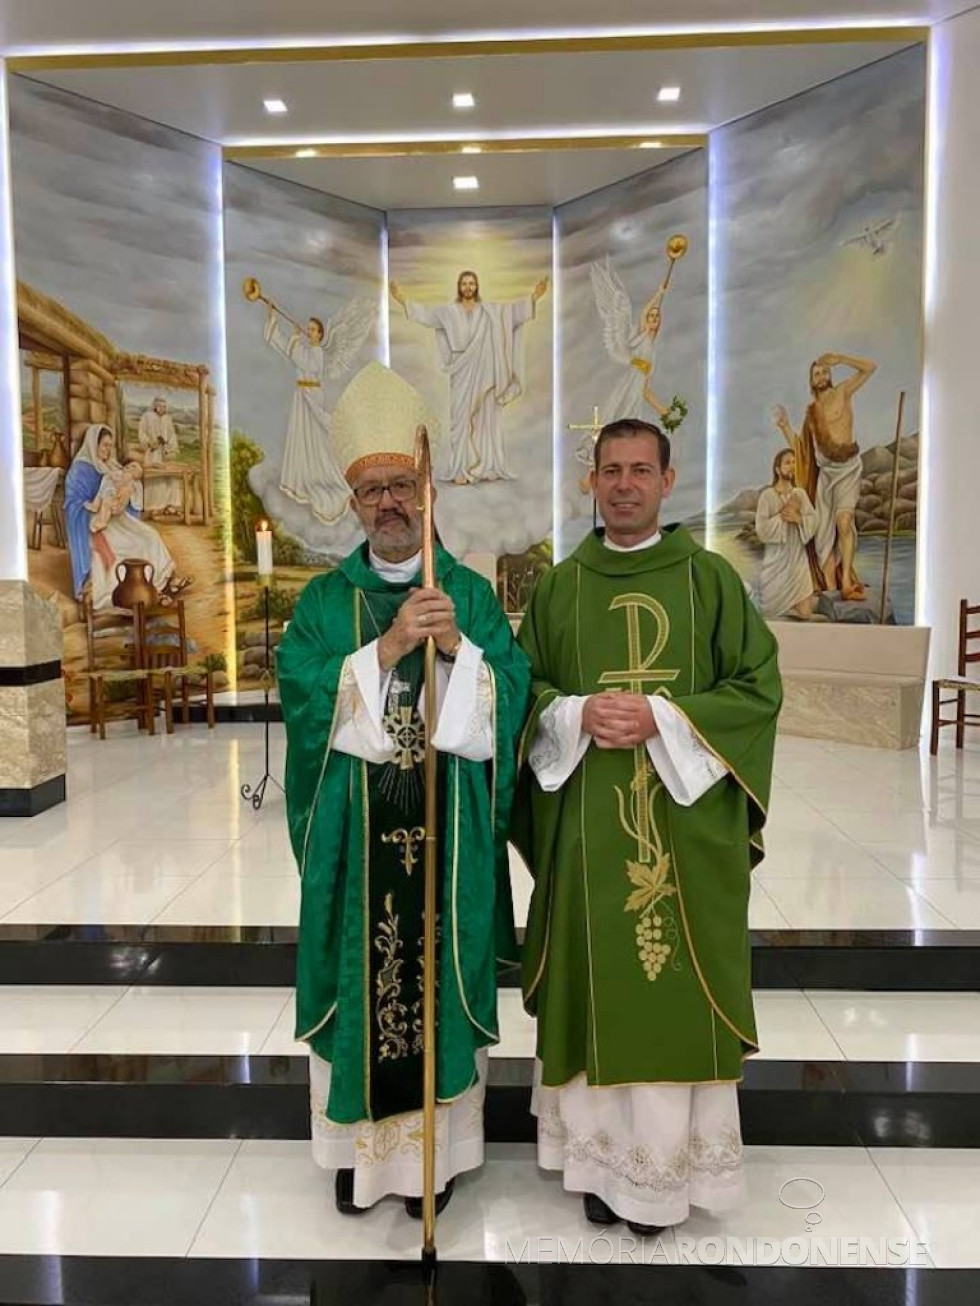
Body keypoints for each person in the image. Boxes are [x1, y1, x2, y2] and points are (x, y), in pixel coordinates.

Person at [512, 417, 781, 1235]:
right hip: (586, 828)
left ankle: (666, 1177)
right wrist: (574, 712)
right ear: (591, 482)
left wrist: (666, 718)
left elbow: (757, 691)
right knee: (597, 983)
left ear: (668, 482)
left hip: (686, 834)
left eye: (639, 469)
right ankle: (600, 1168)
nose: (623, 484)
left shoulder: (711, 581)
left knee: (676, 990)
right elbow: (522, 695)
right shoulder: (559, 588)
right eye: (609, 470)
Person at [277, 361, 530, 1218]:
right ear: (352, 504)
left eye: (400, 486)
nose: (387, 503)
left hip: (445, 846)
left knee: (434, 972)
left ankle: (439, 1158)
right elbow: (304, 697)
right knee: (369, 977)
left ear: (427, 491)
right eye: (370, 491)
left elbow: (513, 699)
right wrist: (383, 652)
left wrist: (464, 653)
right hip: (358, 852)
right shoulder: (322, 602)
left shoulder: (467, 595)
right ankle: (362, 1156)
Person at [390, 270, 548, 485]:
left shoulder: (489, 312)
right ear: (459, 286)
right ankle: (460, 469)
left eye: (472, 283)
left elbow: (512, 313)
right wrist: (401, 298)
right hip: (461, 369)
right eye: (464, 283)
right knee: (460, 418)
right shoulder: (448, 312)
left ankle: (488, 465)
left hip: (486, 368)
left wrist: (534, 297)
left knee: (487, 417)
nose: (468, 287)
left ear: (476, 286)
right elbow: (426, 315)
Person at [773, 352, 876, 602]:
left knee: (844, 521)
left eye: (824, 371)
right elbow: (803, 452)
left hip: (847, 469)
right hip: (826, 475)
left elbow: (870, 367)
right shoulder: (812, 414)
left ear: (830, 375)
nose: (821, 376)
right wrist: (785, 426)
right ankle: (831, 587)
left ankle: (846, 583)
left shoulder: (842, 392)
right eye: (816, 373)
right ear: (811, 381)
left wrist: (840, 358)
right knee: (823, 537)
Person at [64, 425, 191, 610]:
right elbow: (72, 507)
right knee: (125, 549)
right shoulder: (80, 470)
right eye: (104, 445)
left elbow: (130, 489)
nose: (107, 450)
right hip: (92, 523)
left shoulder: (112, 466)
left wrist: (127, 494)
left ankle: (166, 580)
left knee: (149, 535)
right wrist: (96, 510)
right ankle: (140, 593)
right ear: (93, 444)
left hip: (118, 519)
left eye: (110, 446)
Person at [265, 306, 352, 524]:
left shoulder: (317, 352)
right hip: (302, 396)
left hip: (312, 396)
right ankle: (303, 475)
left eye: (313, 330)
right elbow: (287, 349)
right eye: (309, 329)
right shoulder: (306, 348)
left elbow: (303, 361)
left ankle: (323, 477)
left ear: (320, 335)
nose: (309, 332)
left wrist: (295, 337)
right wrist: (272, 320)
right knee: (302, 438)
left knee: (315, 438)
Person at [755, 449, 819, 620]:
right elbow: (761, 530)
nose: (792, 466)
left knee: (805, 614)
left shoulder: (800, 494)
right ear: (777, 469)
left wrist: (798, 518)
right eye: (787, 463)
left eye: (794, 462)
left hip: (798, 563)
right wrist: (782, 517)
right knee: (770, 615)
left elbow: (813, 521)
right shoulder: (767, 496)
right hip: (775, 565)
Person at [137, 397, 183, 517]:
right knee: (156, 480)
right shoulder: (147, 416)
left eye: (164, 406)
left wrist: (171, 448)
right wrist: (149, 442)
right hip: (153, 453)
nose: (162, 408)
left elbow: (172, 435)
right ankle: (154, 508)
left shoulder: (168, 419)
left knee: (171, 478)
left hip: (165, 453)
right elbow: (141, 432)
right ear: (155, 406)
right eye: (160, 406)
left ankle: (171, 506)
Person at [84, 460, 145, 533]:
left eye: (133, 466)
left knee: (106, 505)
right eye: (130, 464)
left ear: (135, 474)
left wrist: (114, 479)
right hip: (114, 500)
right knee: (106, 504)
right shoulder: (124, 475)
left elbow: (121, 484)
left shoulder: (130, 480)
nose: (129, 466)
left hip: (118, 504)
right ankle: (100, 516)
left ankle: (102, 521)